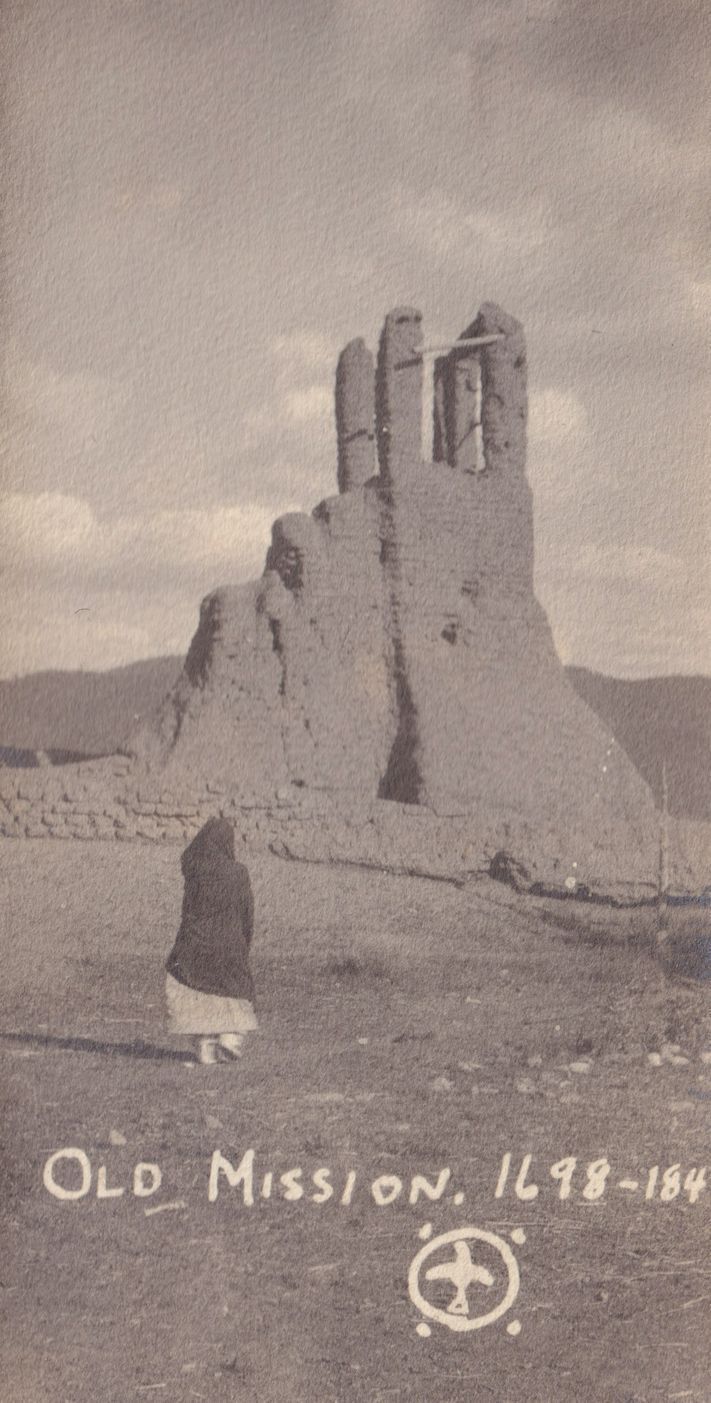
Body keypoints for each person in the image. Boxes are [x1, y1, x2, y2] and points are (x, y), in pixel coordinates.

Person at [165, 817, 258, 1065]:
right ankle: (230, 1035)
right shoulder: (238, 873)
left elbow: (187, 912)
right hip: (229, 945)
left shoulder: (195, 873)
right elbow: (246, 913)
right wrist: (244, 944)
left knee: (196, 986)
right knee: (236, 988)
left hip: (195, 944)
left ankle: (205, 1042)